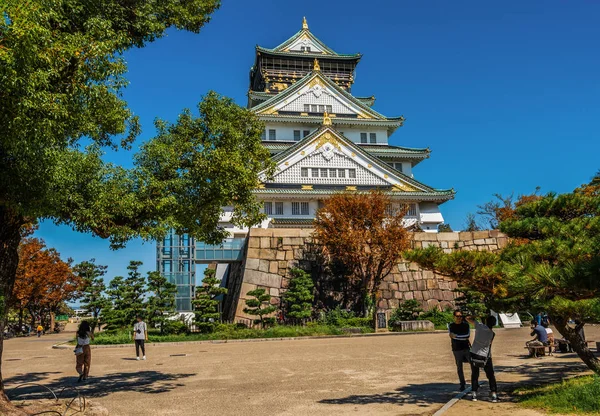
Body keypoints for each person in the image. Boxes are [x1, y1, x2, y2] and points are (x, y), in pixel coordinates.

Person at [466, 315, 498, 403]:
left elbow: (468, 318)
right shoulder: (492, 333)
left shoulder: (479, 326)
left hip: (474, 353)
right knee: (490, 375)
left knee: (475, 374)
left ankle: (474, 394)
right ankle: (494, 393)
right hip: (486, 356)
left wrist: (475, 315)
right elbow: (490, 344)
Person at [449, 309, 471, 391]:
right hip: (456, 349)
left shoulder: (466, 325)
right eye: (457, 316)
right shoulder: (451, 325)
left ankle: (474, 381)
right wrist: (461, 337)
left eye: (461, 316)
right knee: (459, 367)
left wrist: (456, 336)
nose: (459, 318)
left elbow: (467, 336)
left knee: (473, 365)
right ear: (454, 316)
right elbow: (451, 335)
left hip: (466, 348)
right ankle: (462, 384)